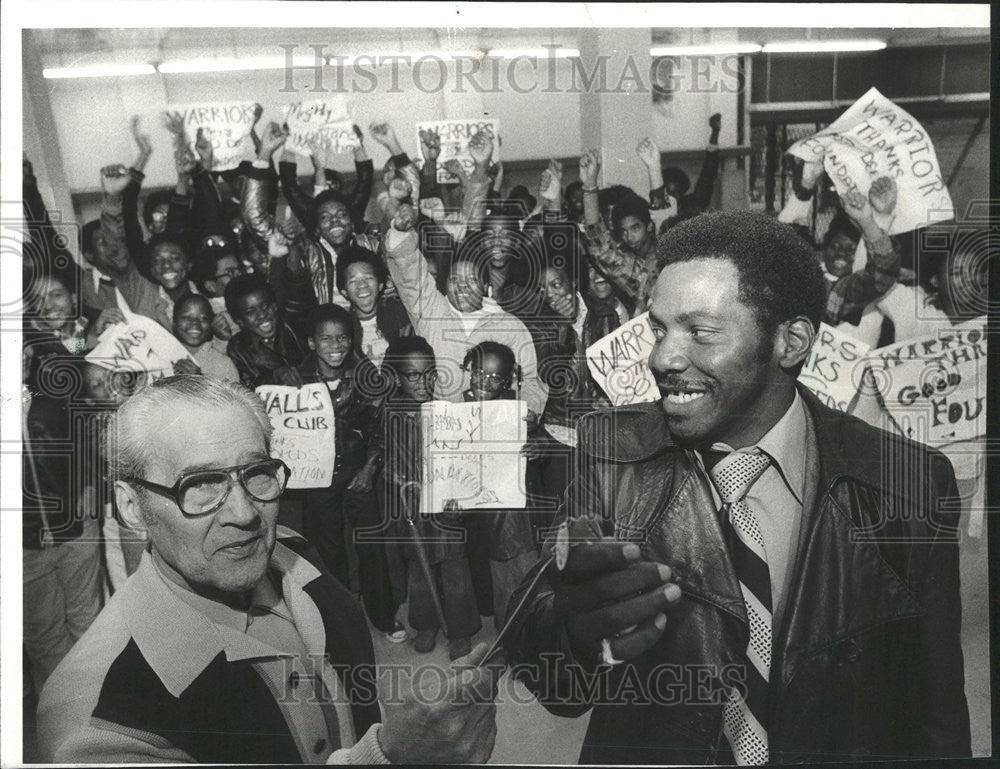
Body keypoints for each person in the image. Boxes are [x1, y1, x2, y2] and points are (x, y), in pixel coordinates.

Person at [504, 210, 970, 764]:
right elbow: (549, 671)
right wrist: (575, 635)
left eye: (699, 332)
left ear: (791, 341)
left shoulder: (908, 485)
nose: (661, 358)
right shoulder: (612, 455)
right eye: (659, 329)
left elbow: (935, 707)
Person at [37, 374, 500, 764]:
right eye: (199, 484)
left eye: (256, 472)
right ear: (131, 507)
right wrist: (389, 757)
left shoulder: (301, 559)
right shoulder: (95, 721)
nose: (245, 513)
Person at [273, 304, 402, 643]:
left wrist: (370, 468)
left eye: (342, 337)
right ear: (311, 343)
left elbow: (382, 430)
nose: (335, 345)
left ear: (352, 339)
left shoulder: (365, 376)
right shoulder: (293, 379)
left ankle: (384, 616)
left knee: (372, 548)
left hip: (358, 472)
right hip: (316, 479)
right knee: (328, 554)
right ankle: (342, 622)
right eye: (325, 338)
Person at [383, 204, 548, 419]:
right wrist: (400, 231)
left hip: (495, 429)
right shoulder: (431, 311)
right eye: (454, 280)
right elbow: (410, 272)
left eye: (471, 279)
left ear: (486, 285)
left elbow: (529, 380)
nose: (462, 287)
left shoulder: (510, 326)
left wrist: (531, 411)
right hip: (442, 431)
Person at [381, 337, 482, 659]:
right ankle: (426, 624)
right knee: (419, 571)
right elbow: (387, 458)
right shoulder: (390, 414)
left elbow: (461, 459)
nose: (423, 382)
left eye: (430, 374)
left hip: (446, 503)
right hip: (411, 506)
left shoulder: (446, 413)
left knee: (455, 569)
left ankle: (460, 630)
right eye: (413, 375)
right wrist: (396, 478)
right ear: (397, 377)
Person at [460, 342, 539, 631]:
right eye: (479, 371)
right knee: (494, 578)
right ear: (469, 370)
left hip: (511, 516)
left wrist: (533, 437)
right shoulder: (457, 412)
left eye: (495, 377)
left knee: (517, 574)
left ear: (507, 381)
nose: (485, 380)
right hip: (473, 510)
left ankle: (521, 635)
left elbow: (535, 453)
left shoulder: (517, 413)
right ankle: (509, 636)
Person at [334, 246, 411, 368]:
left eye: (368, 278)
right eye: (353, 281)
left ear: (380, 285)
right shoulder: (343, 326)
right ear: (344, 292)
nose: (362, 285)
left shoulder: (398, 315)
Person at [171, 294, 239, 382]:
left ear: (211, 324)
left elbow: (232, 396)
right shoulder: (160, 354)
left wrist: (200, 380)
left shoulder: (223, 364)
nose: (195, 323)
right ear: (174, 322)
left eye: (203, 319)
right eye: (186, 318)